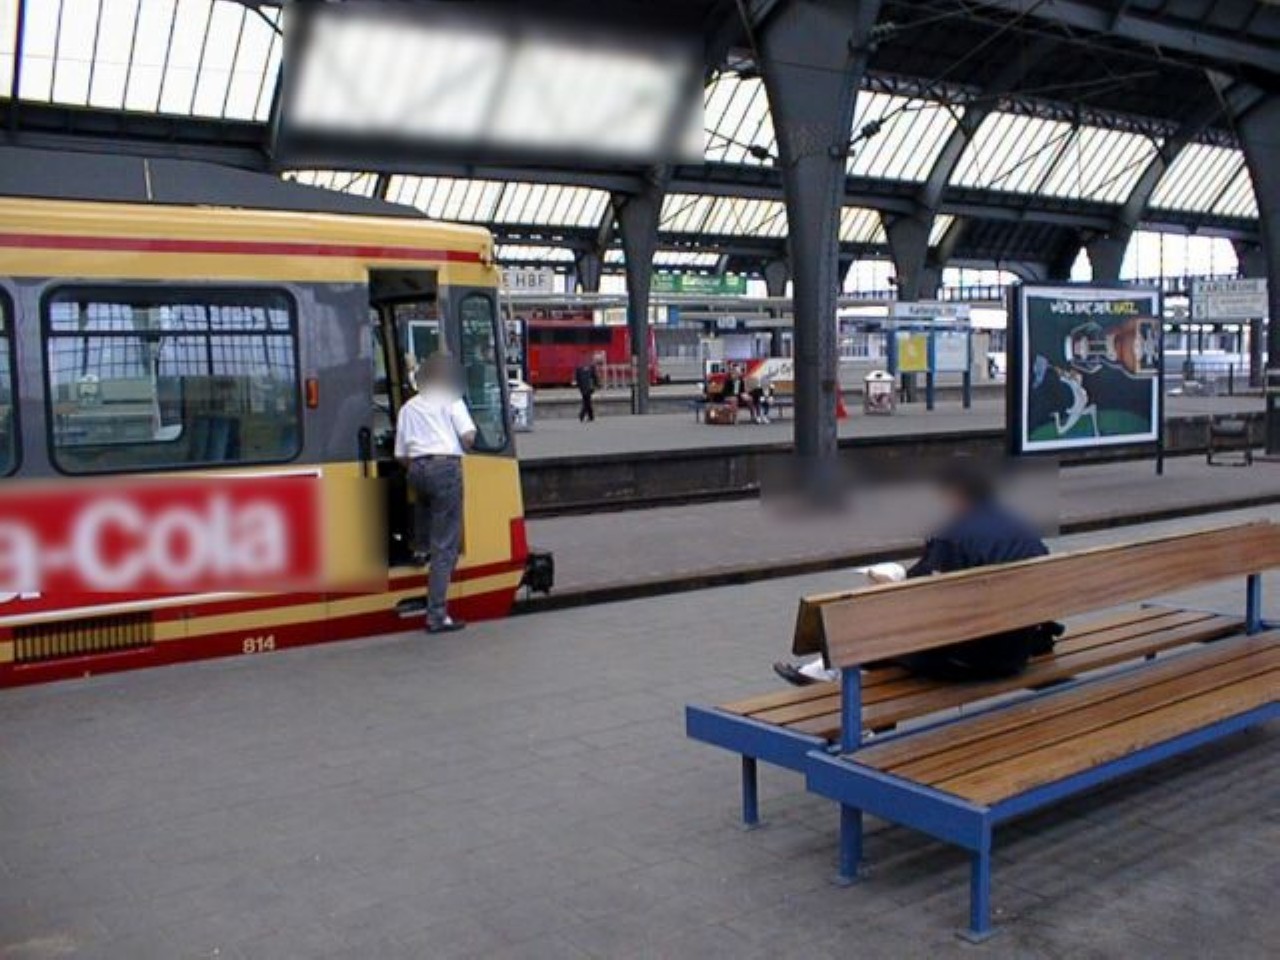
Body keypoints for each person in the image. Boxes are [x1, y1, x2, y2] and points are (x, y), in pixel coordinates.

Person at [773, 463, 1059, 685]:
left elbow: (924, 599)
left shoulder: (954, 534)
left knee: (874, 633)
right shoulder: (1021, 527)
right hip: (1018, 650)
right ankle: (827, 670)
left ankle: (832, 678)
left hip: (974, 660)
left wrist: (890, 585)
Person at [395, 353, 476, 634]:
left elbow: (400, 455)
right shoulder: (451, 399)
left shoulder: (408, 408)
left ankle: (420, 550)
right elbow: (469, 436)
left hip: (416, 469)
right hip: (445, 468)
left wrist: (422, 466)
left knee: (427, 518)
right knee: (446, 545)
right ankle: (437, 615)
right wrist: (463, 446)